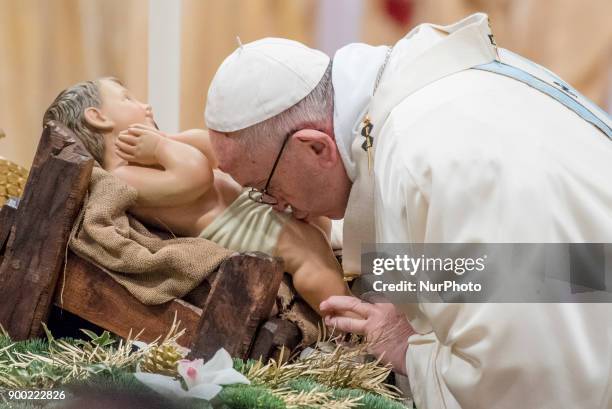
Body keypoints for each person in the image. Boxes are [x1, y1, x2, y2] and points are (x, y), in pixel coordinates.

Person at [203, 13, 612, 409]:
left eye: (266, 189)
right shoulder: (420, 104)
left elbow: (519, 380)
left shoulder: (424, 157)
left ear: (315, 147)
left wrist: (408, 349)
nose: (279, 208)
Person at [43, 77, 351, 315]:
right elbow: (196, 178)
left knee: (318, 228)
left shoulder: (152, 153)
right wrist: (162, 147)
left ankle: (354, 286)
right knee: (308, 254)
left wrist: (167, 139)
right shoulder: (122, 178)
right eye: (127, 99)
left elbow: (214, 153)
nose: (145, 105)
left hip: (249, 210)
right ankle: (347, 323)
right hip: (237, 229)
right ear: (98, 117)